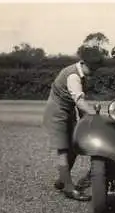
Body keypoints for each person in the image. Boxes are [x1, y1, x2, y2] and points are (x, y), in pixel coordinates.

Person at [42, 47, 103, 201]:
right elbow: (80, 102)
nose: (94, 71)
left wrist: (86, 119)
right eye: (92, 68)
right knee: (63, 150)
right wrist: (95, 116)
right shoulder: (73, 76)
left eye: (96, 68)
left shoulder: (80, 73)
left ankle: (62, 180)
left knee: (74, 147)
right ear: (83, 63)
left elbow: (78, 105)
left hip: (67, 111)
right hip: (57, 113)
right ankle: (69, 189)